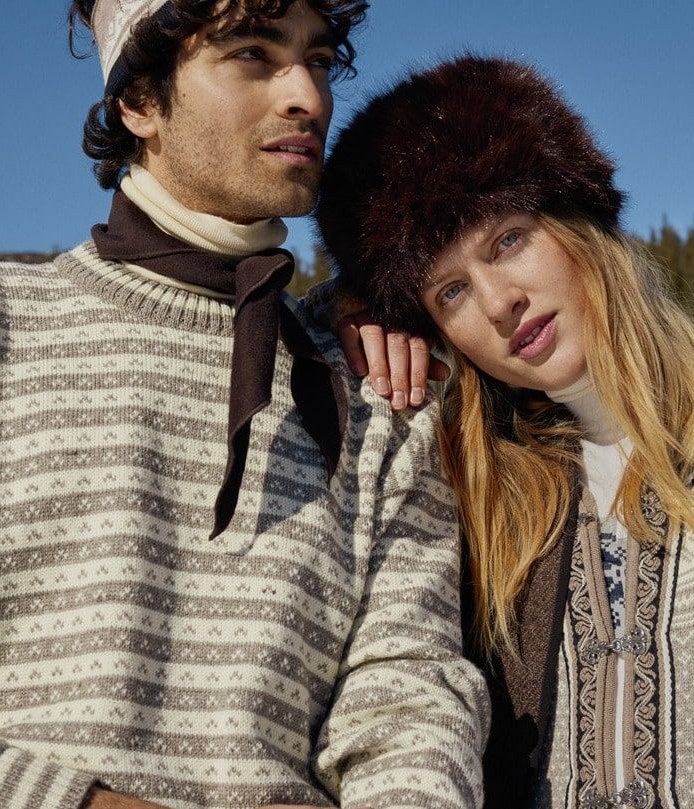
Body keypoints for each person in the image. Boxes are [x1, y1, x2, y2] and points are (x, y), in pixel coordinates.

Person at [313, 56, 694, 809]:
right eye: (450, 291)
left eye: (507, 241)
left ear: (580, 221)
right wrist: (344, 308)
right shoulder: (486, 506)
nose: (498, 302)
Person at [0, 5, 489, 809]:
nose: (307, 96)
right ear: (139, 103)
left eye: (318, 60)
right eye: (253, 55)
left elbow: (408, 692)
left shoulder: (380, 383)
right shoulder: (15, 324)